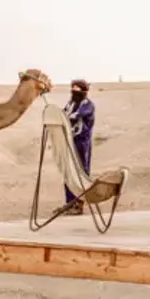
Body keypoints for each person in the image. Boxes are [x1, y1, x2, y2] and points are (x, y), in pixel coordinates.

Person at [62, 78, 96, 214]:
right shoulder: (70, 104)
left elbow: (76, 116)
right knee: (69, 171)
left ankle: (79, 203)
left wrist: (65, 117)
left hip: (82, 142)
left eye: (76, 89)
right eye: (72, 89)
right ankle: (69, 203)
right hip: (70, 141)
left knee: (81, 171)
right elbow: (63, 114)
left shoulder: (88, 105)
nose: (73, 91)